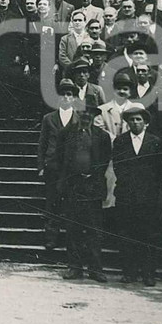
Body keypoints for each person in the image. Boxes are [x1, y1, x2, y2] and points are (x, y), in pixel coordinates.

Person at [53, 98, 112, 282]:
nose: (86, 116)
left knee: (94, 230)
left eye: (89, 113)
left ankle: (95, 269)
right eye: (82, 112)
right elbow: (60, 159)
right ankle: (75, 268)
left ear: (94, 116)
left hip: (93, 187)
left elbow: (104, 161)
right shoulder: (66, 134)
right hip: (73, 186)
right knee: (73, 229)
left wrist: (93, 176)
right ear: (77, 114)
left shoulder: (102, 136)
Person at [110, 103, 162, 286]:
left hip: (148, 197)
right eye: (131, 119)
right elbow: (118, 166)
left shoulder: (155, 141)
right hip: (126, 194)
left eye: (138, 119)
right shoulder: (120, 141)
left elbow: (158, 169)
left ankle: (148, 273)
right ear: (127, 122)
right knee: (126, 234)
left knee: (148, 235)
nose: (135, 123)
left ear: (146, 123)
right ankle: (129, 272)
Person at [37, 78, 81, 251]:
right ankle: (51, 237)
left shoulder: (79, 119)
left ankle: (71, 241)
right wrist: (41, 165)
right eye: (62, 94)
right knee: (52, 202)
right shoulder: (49, 118)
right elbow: (42, 143)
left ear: (74, 98)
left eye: (69, 94)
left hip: (71, 168)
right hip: (53, 166)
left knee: (71, 203)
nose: (65, 97)